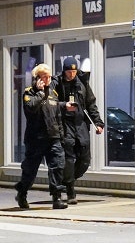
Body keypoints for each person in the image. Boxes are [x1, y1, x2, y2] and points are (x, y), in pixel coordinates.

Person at [15, 64, 73, 210]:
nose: (48, 80)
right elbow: (31, 108)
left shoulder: (53, 92)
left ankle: (57, 198)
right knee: (30, 170)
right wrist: (40, 92)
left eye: (49, 77)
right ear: (37, 78)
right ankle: (22, 192)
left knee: (57, 166)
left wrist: (64, 106)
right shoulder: (29, 93)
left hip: (53, 137)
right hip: (36, 139)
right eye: (44, 77)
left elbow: (55, 110)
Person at [51, 57, 104, 205]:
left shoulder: (82, 82)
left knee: (85, 158)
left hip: (80, 123)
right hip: (65, 123)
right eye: (69, 71)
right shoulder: (57, 83)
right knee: (68, 158)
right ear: (64, 70)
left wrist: (98, 123)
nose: (71, 74)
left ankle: (68, 179)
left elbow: (90, 104)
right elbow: (51, 103)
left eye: (74, 71)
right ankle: (70, 189)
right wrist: (64, 105)